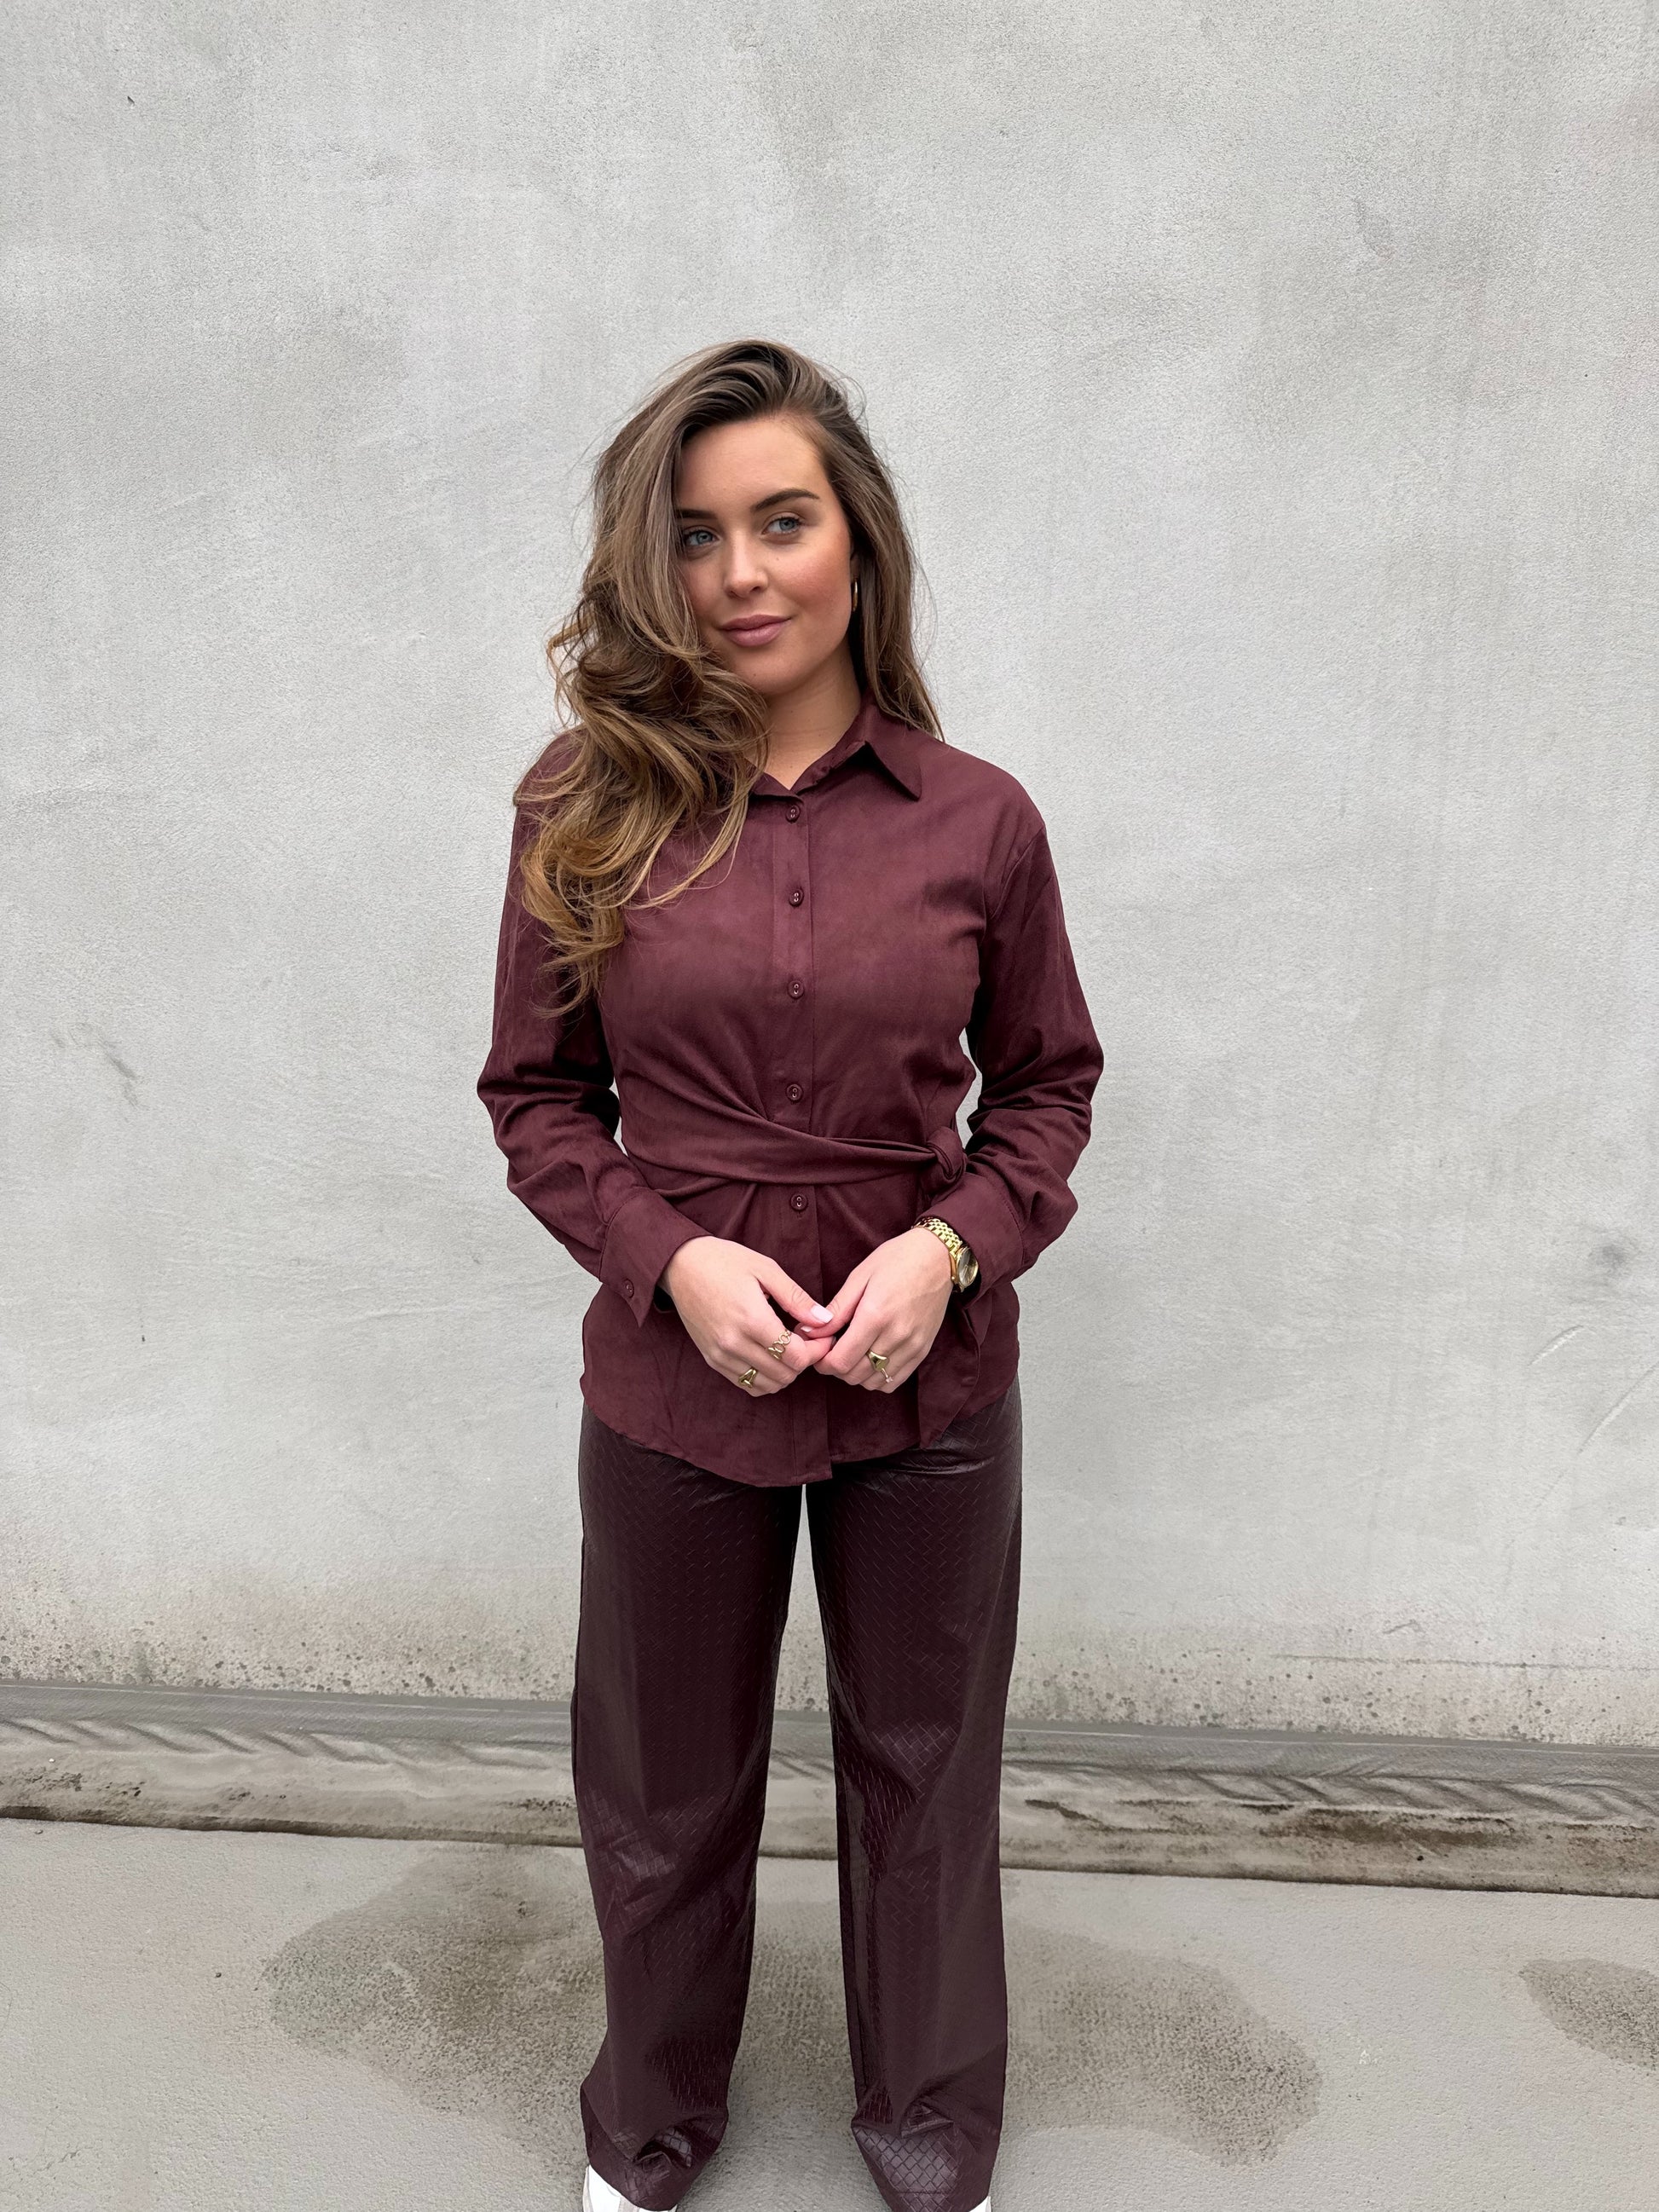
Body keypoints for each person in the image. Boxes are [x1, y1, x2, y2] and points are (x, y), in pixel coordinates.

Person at [477, 338, 1102, 2212]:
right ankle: (646, 2126)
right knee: (661, 1780)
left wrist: (950, 1249)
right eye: (694, 534)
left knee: (925, 1768)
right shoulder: (581, 803)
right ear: (647, 563)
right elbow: (537, 1098)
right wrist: (670, 1263)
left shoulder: (979, 819)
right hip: (676, 1380)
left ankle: (930, 2133)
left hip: (930, 1379)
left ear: (857, 541)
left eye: (781, 520)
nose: (740, 572)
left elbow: (1048, 1091)